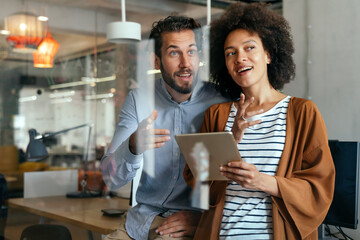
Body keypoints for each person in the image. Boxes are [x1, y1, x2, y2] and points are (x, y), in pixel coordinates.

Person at [184, 3, 335, 240]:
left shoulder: (302, 112)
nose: (240, 58)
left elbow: (319, 188)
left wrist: (262, 182)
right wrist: (230, 139)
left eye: (249, 47)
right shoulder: (217, 115)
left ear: (268, 54)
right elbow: (197, 182)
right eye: (230, 53)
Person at [101, 15, 229, 240]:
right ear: (156, 61)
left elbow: (232, 180)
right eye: (173, 53)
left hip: (187, 225)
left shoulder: (221, 101)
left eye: (191, 51)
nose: (185, 63)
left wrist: (203, 219)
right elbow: (110, 178)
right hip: (139, 222)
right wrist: (132, 146)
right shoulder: (139, 100)